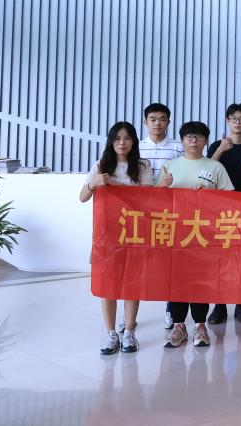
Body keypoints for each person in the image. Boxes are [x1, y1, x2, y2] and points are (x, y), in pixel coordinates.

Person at [157, 121, 234, 349]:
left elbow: (230, 199)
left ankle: (200, 325)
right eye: (189, 137)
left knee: (201, 280)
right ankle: (179, 325)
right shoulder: (170, 166)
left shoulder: (215, 167)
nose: (193, 140)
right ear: (182, 140)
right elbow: (153, 200)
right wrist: (163, 185)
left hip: (204, 234)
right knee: (176, 280)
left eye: (199, 137)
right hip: (175, 233)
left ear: (206, 141)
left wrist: (208, 196)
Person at [79, 122, 154, 355]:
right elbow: (82, 197)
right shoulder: (101, 165)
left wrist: (116, 185)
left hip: (135, 233)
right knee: (108, 284)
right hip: (108, 235)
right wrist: (94, 183)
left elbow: (148, 200)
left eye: (127, 138)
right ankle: (111, 333)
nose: (122, 143)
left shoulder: (143, 166)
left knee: (132, 283)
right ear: (111, 141)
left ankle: (129, 330)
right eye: (117, 138)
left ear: (134, 141)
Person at [206, 103, 241, 326]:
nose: (237, 122)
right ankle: (219, 305)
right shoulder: (216, 146)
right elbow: (206, 171)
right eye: (233, 118)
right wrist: (221, 149)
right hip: (220, 209)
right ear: (227, 121)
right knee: (220, 259)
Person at [137, 103, 183, 331]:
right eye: (153, 119)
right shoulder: (136, 147)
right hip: (140, 213)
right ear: (145, 122)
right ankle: (128, 314)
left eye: (162, 119)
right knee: (137, 263)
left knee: (171, 264)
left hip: (170, 213)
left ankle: (170, 311)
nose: (157, 123)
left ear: (168, 122)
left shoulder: (178, 148)